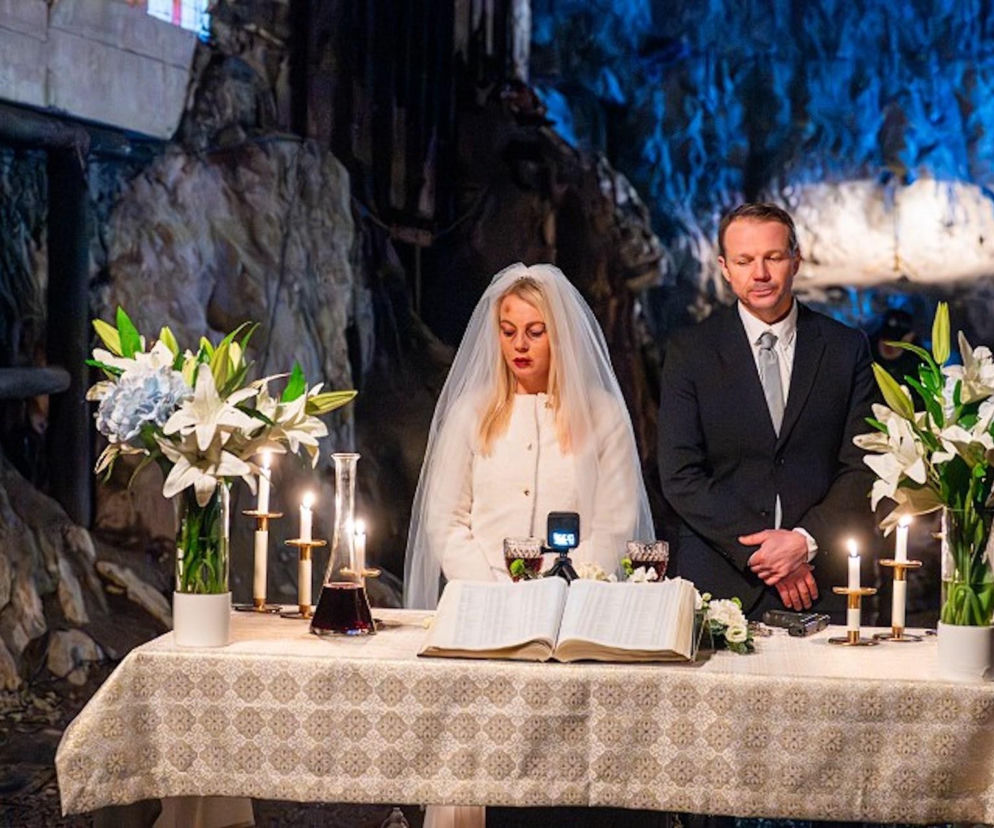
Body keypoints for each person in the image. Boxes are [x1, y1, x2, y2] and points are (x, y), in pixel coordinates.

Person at [658, 203, 878, 620]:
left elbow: (864, 464)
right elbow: (680, 474)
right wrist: (768, 554)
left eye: (773, 258)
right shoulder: (690, 352)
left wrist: (803, 542)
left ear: (796, 259)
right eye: (744, 261)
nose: (759, 274)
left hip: (823, 579)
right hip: (719, 583)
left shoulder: (846, 348)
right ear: (725, 268)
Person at [405, 261, 653, 611]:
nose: (519, 345)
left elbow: (614, 521)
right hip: (482, 602)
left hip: (574, 603)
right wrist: (489, 594)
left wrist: (568, 588)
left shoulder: (602, 415)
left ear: (560, 335)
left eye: (535, 332)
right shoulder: (471, 413)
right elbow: (446, 519)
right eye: (508, 332)